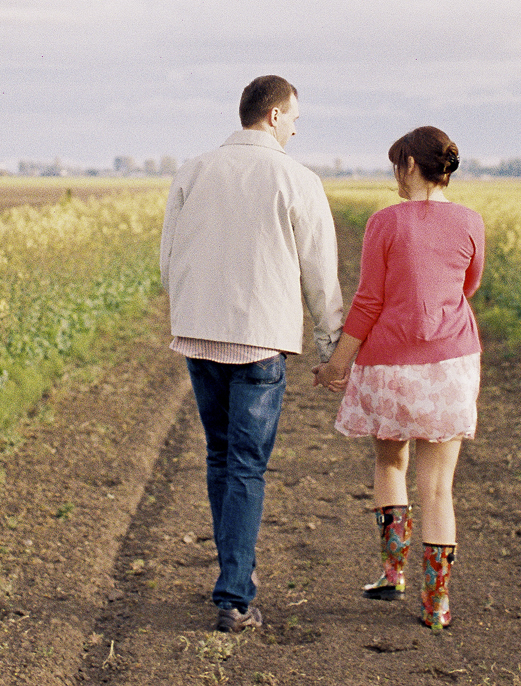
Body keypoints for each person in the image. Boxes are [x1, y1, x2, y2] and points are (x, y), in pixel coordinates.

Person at [160, 74, 344, 632]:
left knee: (221, 457)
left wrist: (192, 306)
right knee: (245, 465)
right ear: (272, 116)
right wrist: (330, 346)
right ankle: (235, 594)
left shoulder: (192, 170)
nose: (294, 127)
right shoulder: (297, 178)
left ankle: (233, 578)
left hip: (199, 334)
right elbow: (320, 273)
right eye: (293, 117)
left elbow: (169, 260)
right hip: (261, 339)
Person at [314, 125, 483, 629]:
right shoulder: (471, 221)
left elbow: (368, 301)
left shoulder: (384, 223)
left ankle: (392, 574)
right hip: (450, 364)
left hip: (389, 366)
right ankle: (437, 605)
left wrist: (338, 364)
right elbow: (467, 285)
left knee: (391, 463)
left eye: (395, 165)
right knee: (438, 488)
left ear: (409, 164)